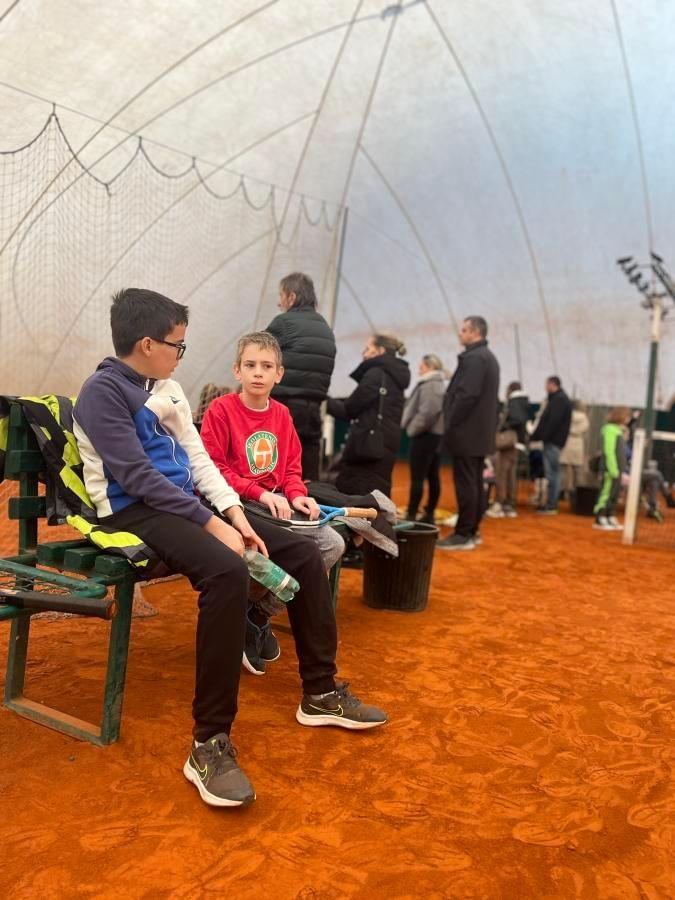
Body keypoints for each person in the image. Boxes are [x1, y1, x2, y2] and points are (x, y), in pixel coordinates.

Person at [73, 288, 387, 811]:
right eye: (177, 344)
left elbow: (199, 463)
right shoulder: (102, 392)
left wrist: (236, 516)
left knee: (302, 552)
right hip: (134, 510)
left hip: (182, 503)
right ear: (147, 344)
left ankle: (320, 692)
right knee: (226, 572)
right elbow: (137, 477)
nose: (181, 353)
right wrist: (210, 524)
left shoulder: (168, 387)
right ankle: (208, 743)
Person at [200, 331, 345, 675]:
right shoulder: (221, 410)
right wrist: (259, 492)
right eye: (250, 365)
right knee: (293, 552)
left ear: (279, 374)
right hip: (233, 505)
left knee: (333, 544)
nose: (258, 373)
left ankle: (257, 613)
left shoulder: (281, 414)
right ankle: (247, 616)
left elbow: (292, 468)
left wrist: (297, 495)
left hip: (275, 503)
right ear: (237, 370)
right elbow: (213, 469)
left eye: (266, 366)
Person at [264, 272, 336, 481]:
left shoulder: (284, 322)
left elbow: (256, 350)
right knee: (307, 472)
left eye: (281, 296)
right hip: (313, 411)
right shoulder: (325, 328)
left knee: (277, 471)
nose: (279, 303)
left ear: (292, 297)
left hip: (283, 407)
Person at [437, 316, 499, 551]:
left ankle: (463, 534)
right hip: (477, 434)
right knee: (474, 482)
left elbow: (466, 395)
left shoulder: (475, 358)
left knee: (467, 484)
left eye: (464, 330)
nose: (460, 333)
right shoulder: (486, 357)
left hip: (467, 433)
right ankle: (472, 530)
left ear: (475, 332)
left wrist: (451, 420)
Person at [327, 332, 410, 497]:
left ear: (380, 351)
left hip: (367, 448)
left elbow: (349, 409)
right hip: (383, 445)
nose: (363, 353)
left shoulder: (376, 374)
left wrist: (322, 398)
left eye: (367, 348)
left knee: (358, 494)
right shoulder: (394, 376)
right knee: (377, 494)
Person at [401, 354, 446, 523]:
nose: (419, 368)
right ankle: (428, 514)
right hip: (431, 435)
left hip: (425, 436)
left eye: (422, 365)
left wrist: (413, 429)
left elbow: (429, 412)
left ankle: (412, 514)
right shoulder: (435, 383)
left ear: (429, 366)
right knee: (431, 476)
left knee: (419, 478)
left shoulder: (431, 384)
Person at [530, 376, 572, 515]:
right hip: (553, 441)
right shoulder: (558, 399)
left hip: (553, 442)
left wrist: (540, 436)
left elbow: (552, 422)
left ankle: (551, 504)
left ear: (552, 384)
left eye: (546, 384)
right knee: (553, 473)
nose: (545, 387)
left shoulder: (559, 400)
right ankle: (551, 503)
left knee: (552, 473)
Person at [487, 380, 529, 518]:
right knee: (511, 475)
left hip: (509, 445)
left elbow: (517, 420)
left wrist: (504, 426)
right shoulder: (523, 402)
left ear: (510, 390)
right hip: (516, 445)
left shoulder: (514, 402)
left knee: (502, 474)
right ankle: (509, 504)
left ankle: (500, 503)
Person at [593, 406, 631, 530]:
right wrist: (612, 468)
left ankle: (609, 515)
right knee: (606, 493)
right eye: (627, 416)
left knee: (614, 494)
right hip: (610, 470)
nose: (628, 419)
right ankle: (600, 517)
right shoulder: (609, 429)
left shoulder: (619, 431)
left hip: (618, 470)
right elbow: (609, 451)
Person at [559, 399, 589, 495]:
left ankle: (563, 490)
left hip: (566, 442)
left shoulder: (565, 415)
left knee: (564, 469)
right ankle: (578, 492)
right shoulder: (584, 418)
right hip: (578, 443)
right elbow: (584, 429)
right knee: (577, 470)